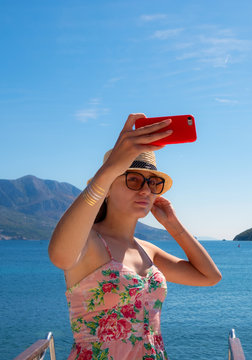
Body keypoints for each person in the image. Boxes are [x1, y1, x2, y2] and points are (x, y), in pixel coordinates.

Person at [48, 113, 222, 360]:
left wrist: (173, 225)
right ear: (107, 187)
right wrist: (109, 169)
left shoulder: (146, 250)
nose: (145, 190)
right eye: (133, 179)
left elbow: (210, 277)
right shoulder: (90, 243)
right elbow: (59, 256)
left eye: (153, 183)